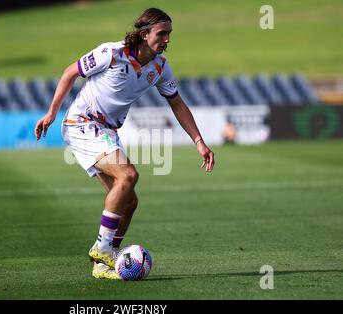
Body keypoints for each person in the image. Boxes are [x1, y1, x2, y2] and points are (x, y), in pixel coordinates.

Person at [35, 8, 215, 280]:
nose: (167, 39)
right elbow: (70, 72)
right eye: (162, 33)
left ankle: (104, 264)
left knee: (129, 202)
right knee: (128, 174)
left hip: (107, 130)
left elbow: (177, 103)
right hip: (82, 123)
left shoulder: (160, 67)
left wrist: (199, 141)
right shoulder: (112, 53)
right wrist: (51, 112)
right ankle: (102, 248)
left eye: (169, 34)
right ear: (144, 34)